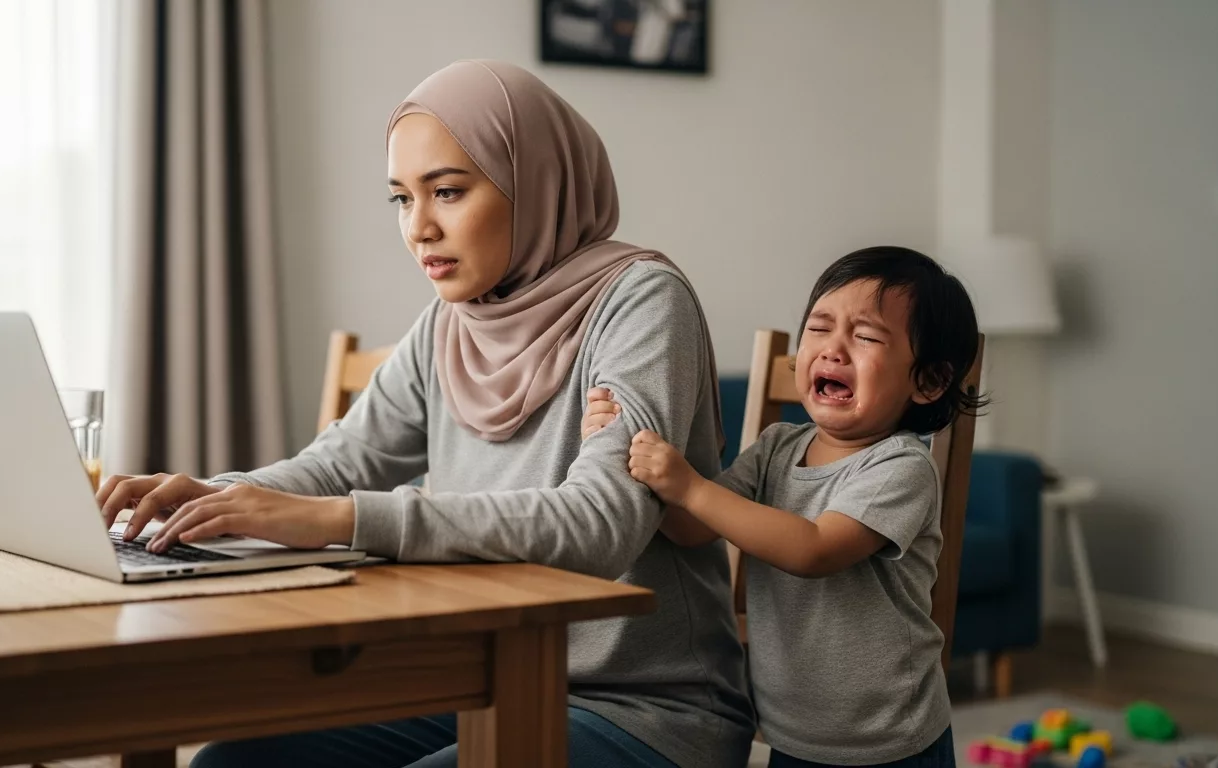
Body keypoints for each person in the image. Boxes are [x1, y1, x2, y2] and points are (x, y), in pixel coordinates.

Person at [96, 60, 753, 768]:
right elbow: (344, 460)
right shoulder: (454, 322)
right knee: (232, 763)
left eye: (447, 191)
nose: (420, 228)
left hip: (644, 709)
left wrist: (342, 520)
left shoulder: (642, 301)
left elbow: (600, 525)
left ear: (532, 180)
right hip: (480, 675)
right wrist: (216, 496)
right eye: (401, 200)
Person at [584, 246, 983, 767]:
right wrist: (619, 446)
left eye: (865, 337)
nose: (833, 350)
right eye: (819, 328)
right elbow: (692, 529)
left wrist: (689, 485)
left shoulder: (901, 467)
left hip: (889, 740)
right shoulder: (778, 447)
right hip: (791, 734)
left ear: (927, 382)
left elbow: (813, 549)